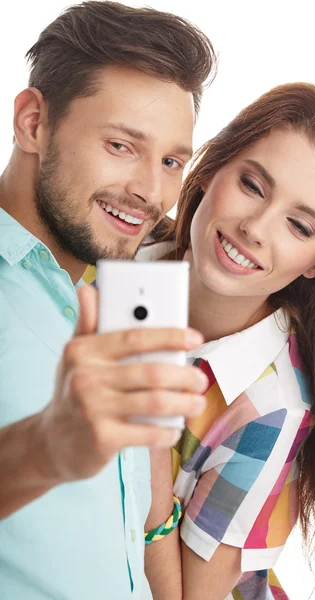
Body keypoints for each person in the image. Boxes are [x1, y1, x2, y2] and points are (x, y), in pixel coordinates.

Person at [141, 83, 315, 600]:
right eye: (253, 186)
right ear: (213, 166)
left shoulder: (269, 406)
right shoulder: (123, 252)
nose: (255, 228)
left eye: (300, 226)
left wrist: (144, 455)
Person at [0, 2, 216, 599]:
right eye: (122, 145)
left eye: (171, 161)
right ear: (33, 123)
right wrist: (45, 446)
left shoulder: (123, 294)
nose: (151, 192)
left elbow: (141, 535)